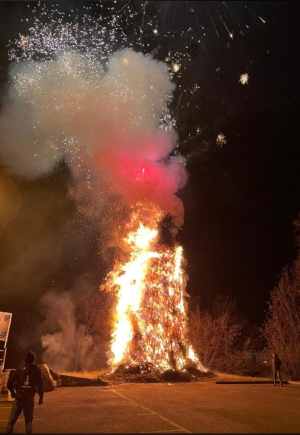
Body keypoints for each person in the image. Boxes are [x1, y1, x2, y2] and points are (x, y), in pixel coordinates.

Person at [4, 351, 44, 433]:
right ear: (34, 359)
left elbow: (10, 383)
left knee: (11, 420)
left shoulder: (19, 369)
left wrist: (13, 392)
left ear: (25, 359)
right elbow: (40, 385)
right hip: (29, 397)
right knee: (29, 421)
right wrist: (41, 397)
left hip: (19, 397)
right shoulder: (37, 370)